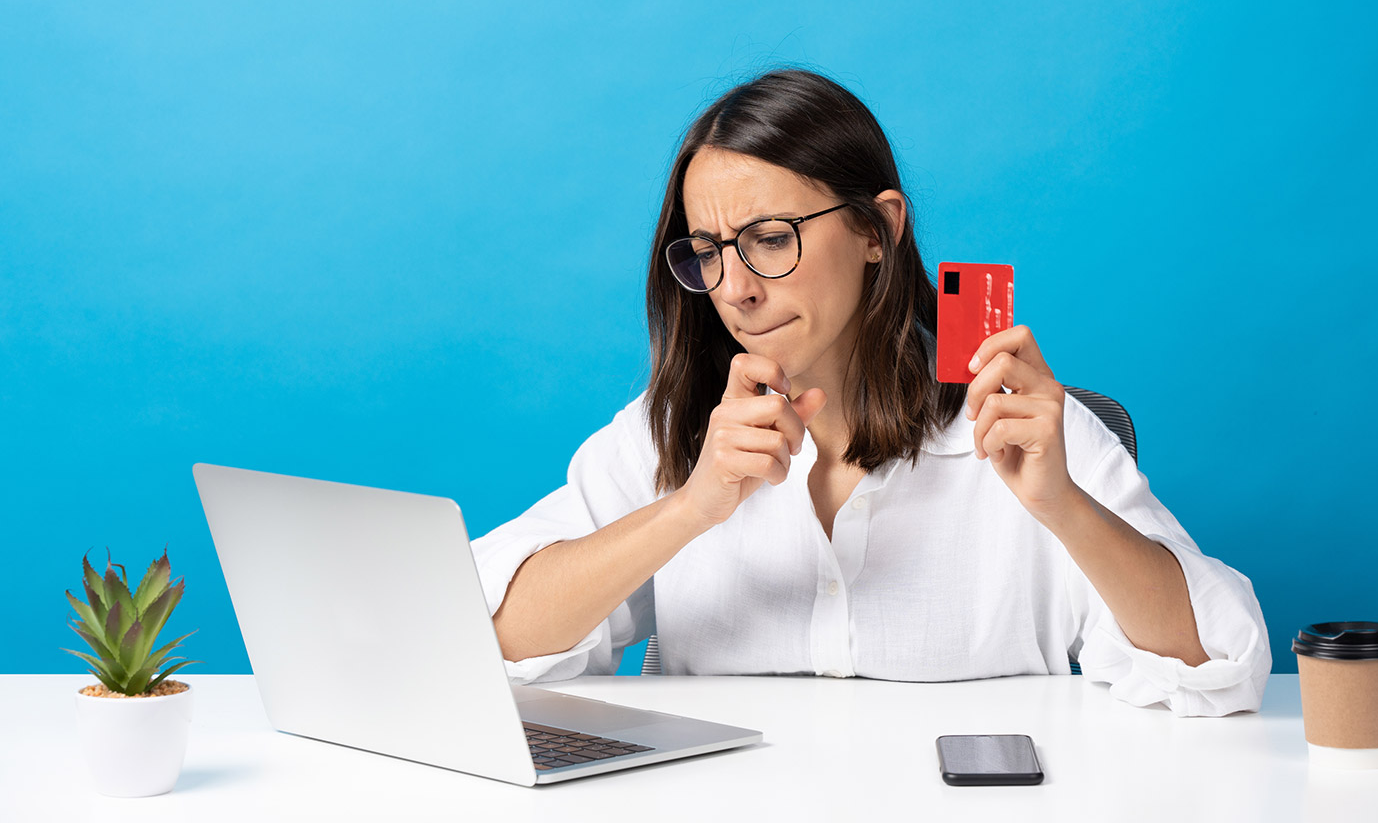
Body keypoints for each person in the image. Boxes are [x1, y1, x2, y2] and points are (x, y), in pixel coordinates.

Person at [472, 67, 1272, 716]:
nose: (736, 288)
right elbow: (488, 636)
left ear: (876, 231)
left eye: (770, 239)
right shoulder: (674, 432)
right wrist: (691, 507)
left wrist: (1061, 503)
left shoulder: (1013, 428)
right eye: (710, 251)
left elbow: (1220, 661)